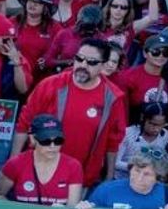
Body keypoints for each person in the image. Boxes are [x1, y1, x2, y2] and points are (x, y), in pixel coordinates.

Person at [13, 38, 126, 187]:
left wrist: (109, 177)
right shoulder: (50, 85)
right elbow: (24, 123)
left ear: (103, 66)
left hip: (81, 180)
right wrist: (13, 164)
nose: (83, 65)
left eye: (91, 62)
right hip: (39, 173)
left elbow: (113, 141)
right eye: (79, 59)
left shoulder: (113, 97)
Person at [0, 114, 83, 206]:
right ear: (32, 139)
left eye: (58, 141)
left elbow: (72, 207)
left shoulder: (73, 166)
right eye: (45, 141)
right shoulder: (15, 164)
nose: (52, 146)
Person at [76, 149, 168, 209]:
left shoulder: (167, 192)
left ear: (158, 178)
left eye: (147, 174)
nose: (139, 178)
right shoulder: (106, 190)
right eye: (137, 171)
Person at [114, 35, 168, 113]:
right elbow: (121, 108)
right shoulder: (128, 77)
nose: (161, 56)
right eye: (156, 52)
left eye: (166, 52)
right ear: (145, 53)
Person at [114, 102, 168, 179]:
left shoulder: (164, 135)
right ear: (143, 118)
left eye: (161, 125)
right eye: (152, 124)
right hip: (123, 179)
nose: (157, 129)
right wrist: (139, 167)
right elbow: (115, 163)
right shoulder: (127, 134)